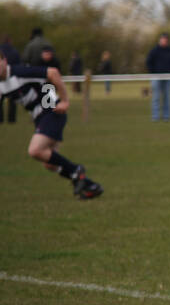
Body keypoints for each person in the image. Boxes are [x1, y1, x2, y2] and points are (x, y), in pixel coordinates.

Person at [0, 55, 103, 199]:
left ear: (4, 60)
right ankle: (91, 186)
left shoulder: (19, 71)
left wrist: (65, 101)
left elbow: (53, 72)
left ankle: (76, 170)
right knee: (50, 164)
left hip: (52, 111)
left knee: (35, 150)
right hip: (40, 117)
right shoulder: (1, 84)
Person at [145, 33, 170, 122]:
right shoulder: (154, 50)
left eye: (166, 39)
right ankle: (155, 117)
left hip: (168, 77)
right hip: (156, 77)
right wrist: (153, 72)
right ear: (160, 40)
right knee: (156, 97)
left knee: (167, 97)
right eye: (163, 39)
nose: (164, 41)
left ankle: (166, 116)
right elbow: (148, 62)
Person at [0, 34, 18, 123]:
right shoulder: (14, 51)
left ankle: (0, 119)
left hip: (0, 78)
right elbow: (18, 64)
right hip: (11, 78)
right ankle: (11, 119)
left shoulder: (1, 51)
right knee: (12, 100)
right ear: (10, 41)